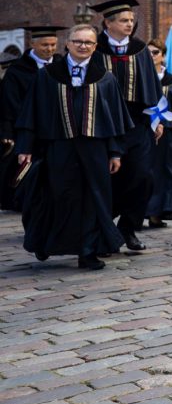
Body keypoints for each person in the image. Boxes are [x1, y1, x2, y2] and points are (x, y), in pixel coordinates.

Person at [15, 24, 133, 269]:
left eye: (88, 43)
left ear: (95, 47)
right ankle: (46, 243)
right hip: (58, 146)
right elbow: (31, 113)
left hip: (95, 148)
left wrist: (114, 152)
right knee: (57, 196)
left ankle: (87, 252)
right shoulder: (47, 76)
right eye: (78, 41)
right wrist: (25, 147)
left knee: (94, 198)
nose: (83, 46)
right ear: (67, 44)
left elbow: (114, 120)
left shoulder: (105, 78)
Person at [90, 0, 162, 253]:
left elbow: (152, 88)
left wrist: (155, 119)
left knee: (143, 176)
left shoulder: (141, 50)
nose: (129, 24)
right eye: (123, 20)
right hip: (104, 125)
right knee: (108, 179)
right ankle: (103, 229)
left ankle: (128, 228)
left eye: (131, 20)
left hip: (136, 123)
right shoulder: (93, 50)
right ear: (108, 23)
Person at [0, 26, 63, 211]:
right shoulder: (17, 71)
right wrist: (8, 133)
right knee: (28, 171)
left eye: (53, 44)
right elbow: (9, 105)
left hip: (57, 130)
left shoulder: (62, 65)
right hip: (27, 130)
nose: (50, 49)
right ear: (32, 43)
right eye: (44, 44)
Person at [145, 39, 172, 228]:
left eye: (155, 52)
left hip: (167, 133)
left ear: (162, 55)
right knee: (144, 172)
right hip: (145, 131)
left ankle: (158, 213)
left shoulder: (170, 81)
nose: (152, 56)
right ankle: (140, 211)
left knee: (164, 173)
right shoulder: (140, 77)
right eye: (149, 52)